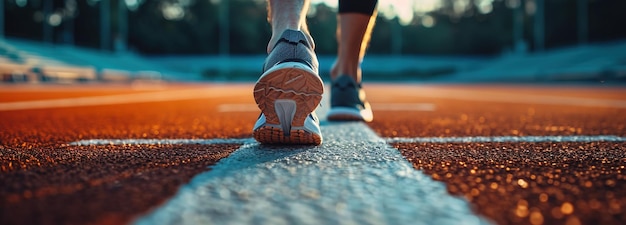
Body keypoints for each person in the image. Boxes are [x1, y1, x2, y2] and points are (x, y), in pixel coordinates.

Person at [253, 0, 378, 145]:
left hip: (281, 52)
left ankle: (284, 44)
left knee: (291, 27)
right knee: (346, 74)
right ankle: (346, 76)